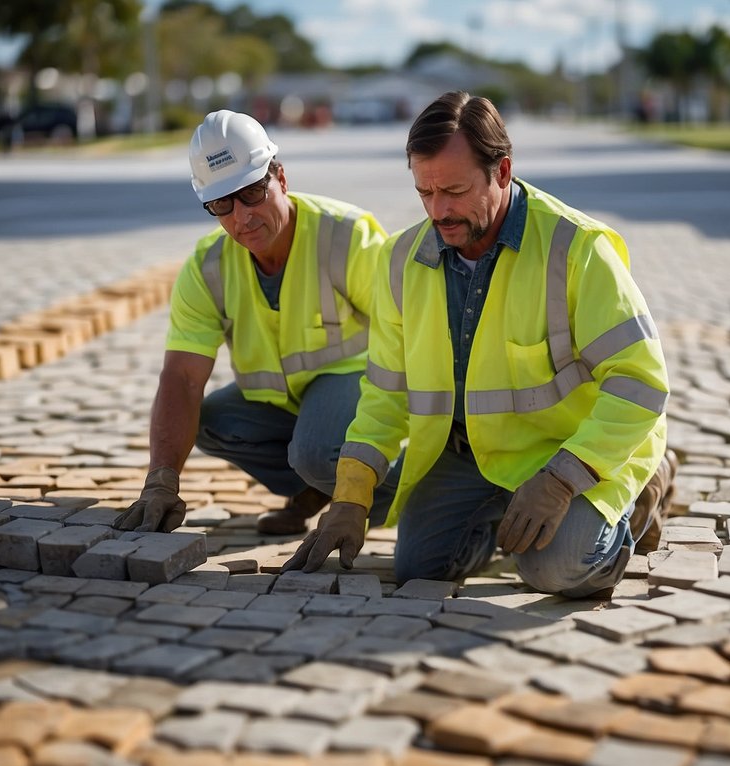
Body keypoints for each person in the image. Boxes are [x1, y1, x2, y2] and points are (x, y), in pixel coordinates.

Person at [285, 91, 676, 597]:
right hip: (470, 457)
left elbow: (641, 383)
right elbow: (384, 393)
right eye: (425, 192)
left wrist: (559, 481)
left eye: (454, 190)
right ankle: (507, 522)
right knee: (419, 570)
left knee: (556, 571)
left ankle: (646, 487)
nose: (438, 211)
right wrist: (350, 500)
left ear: (504, 171)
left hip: (570, 453)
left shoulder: (576, 248)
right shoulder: (400, 260)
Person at [114, 110, 398, 535]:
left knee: (315, 451)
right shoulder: (208, 268)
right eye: (221, 205)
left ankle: (417, 498)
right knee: (210, 423)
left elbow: (412, 341)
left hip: (358, 384)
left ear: (280, 178)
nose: (241, 217)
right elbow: (182, 379)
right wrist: (161, 479)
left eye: (251, 193)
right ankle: (318, 486)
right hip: (287, 401)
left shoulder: (346, 237)